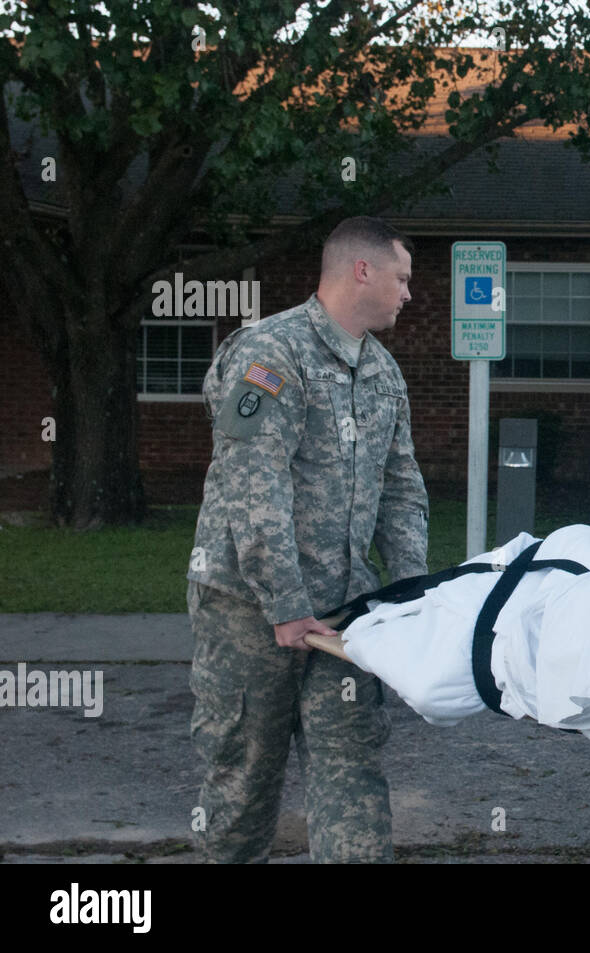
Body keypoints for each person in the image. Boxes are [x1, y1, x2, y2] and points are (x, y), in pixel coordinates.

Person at [186, 216, 429, 863]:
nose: (408, 293)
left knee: (352, 775)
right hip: (249, 612)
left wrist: (409, 596)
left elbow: (402, 490)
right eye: (402, 278)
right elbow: (252, 483)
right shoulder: (270, 353)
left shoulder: (384, 376)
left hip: (343, 618)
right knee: (243, 781)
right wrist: (286, 603)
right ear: (362, 271)